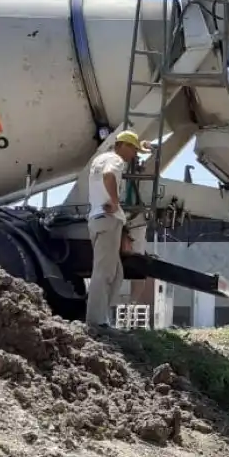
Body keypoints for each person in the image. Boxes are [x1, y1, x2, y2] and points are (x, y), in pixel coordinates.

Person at [85, 130, 150, 328]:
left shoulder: (101, 158)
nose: (134, 155)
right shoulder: (116, 160)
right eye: (133, 150)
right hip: (107, 219)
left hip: (99, 219)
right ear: (123, 146)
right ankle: (96, 322)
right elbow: (109, 175)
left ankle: (103, 316)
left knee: (117, 273)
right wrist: (114, 203)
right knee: (103, 272)